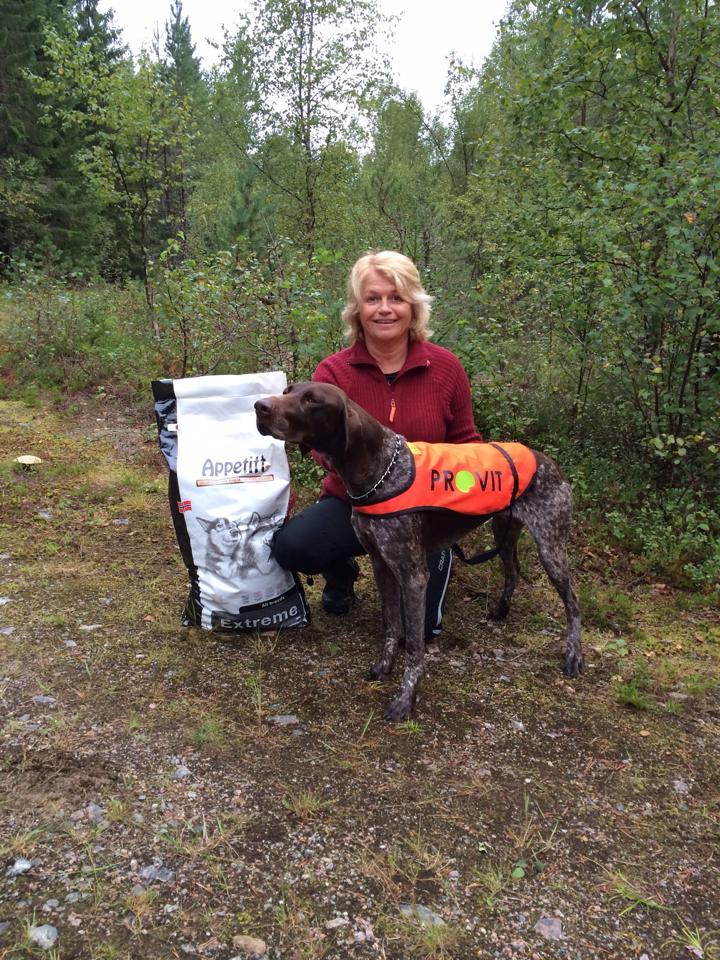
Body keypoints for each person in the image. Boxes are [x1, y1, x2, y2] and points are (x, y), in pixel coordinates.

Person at [272, 250, 482, 641]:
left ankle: (433, 557)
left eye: (396, 298)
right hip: (353, 505)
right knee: (294, 547)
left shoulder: (446, 368)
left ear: (413, 307)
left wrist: (460, 506)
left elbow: (467, 443)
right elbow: (317, 444)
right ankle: (343, 570)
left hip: (425, 512)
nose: (384, 309)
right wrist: (358, 469)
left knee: (416, 630)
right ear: (357, 308)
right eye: (373, 299)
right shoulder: (332, 373)